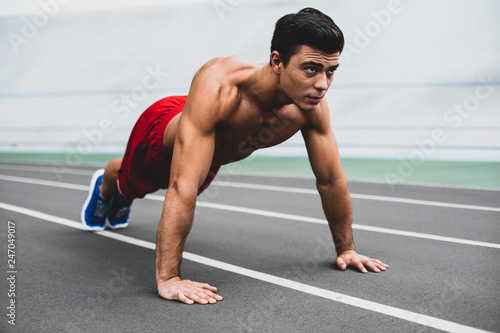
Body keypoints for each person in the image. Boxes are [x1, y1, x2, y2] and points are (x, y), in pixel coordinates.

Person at [81, 7, 388, 305]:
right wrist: (170, 278)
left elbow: (331, 179)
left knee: (185, 180)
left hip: (212, 152)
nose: (322, 84)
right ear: (277, 61)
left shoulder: (310, 108)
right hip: (163, 135)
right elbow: (181, 188)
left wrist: (346, 248)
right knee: (134, 185)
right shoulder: (221, 85)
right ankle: (109, 186)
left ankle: (122, 191)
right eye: (311, 69)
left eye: (330, 71)